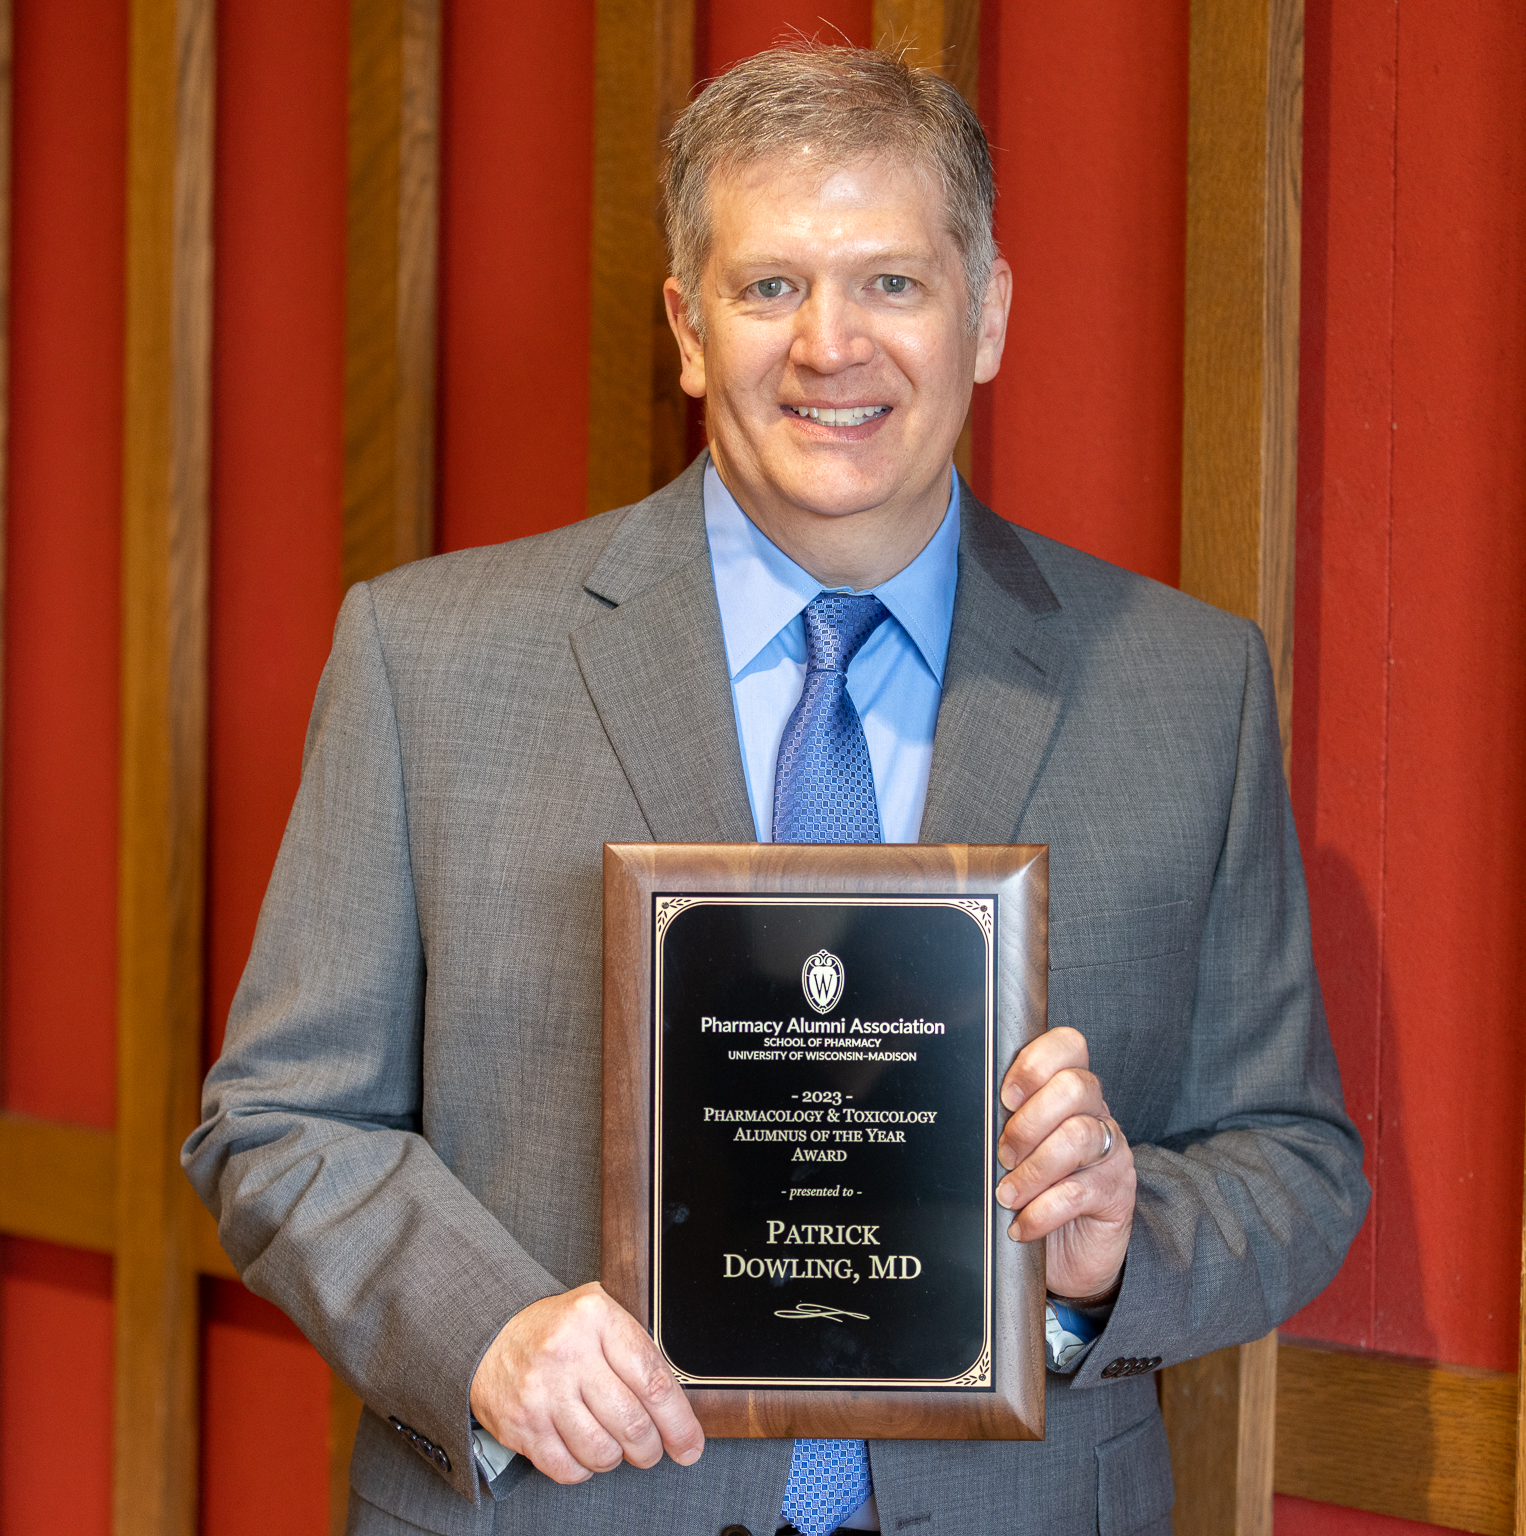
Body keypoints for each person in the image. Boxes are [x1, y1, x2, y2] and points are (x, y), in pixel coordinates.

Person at [184, 44, 1367, 1536]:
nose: (829, 347)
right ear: (687, 327)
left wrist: (1121, 1243)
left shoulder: (1187, 691)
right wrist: (484, 1336)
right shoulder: (428, 660)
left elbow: (1295, 1158)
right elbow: (278, 1125)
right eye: (767, 288)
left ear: (984, 312)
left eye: (891, 282)